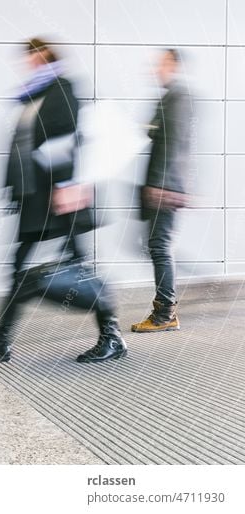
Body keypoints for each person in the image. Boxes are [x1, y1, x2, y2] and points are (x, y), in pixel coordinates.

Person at [0, 38, 127, 364]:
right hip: (35, 200)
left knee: (79, 269)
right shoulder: (33, 93)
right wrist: (15, 191)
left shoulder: (62, 88)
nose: (27, 61)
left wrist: (67, 186)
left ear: (46, 55)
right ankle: (1, 338)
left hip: (60, 198)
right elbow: (23, 149)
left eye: (33, 54)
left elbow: (66, 139)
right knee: (21, 266)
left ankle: (111, 336)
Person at [131, 49, 193, 333]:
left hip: (165, 187)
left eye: (164, 63)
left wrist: (161, 185)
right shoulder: (169, 96)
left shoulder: (178, 97)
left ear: (175, 66)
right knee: (157, 245)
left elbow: (175, 143)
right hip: (161, 185)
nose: (157, 68)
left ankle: (165, 313)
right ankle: (166, 309)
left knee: (159, 246)